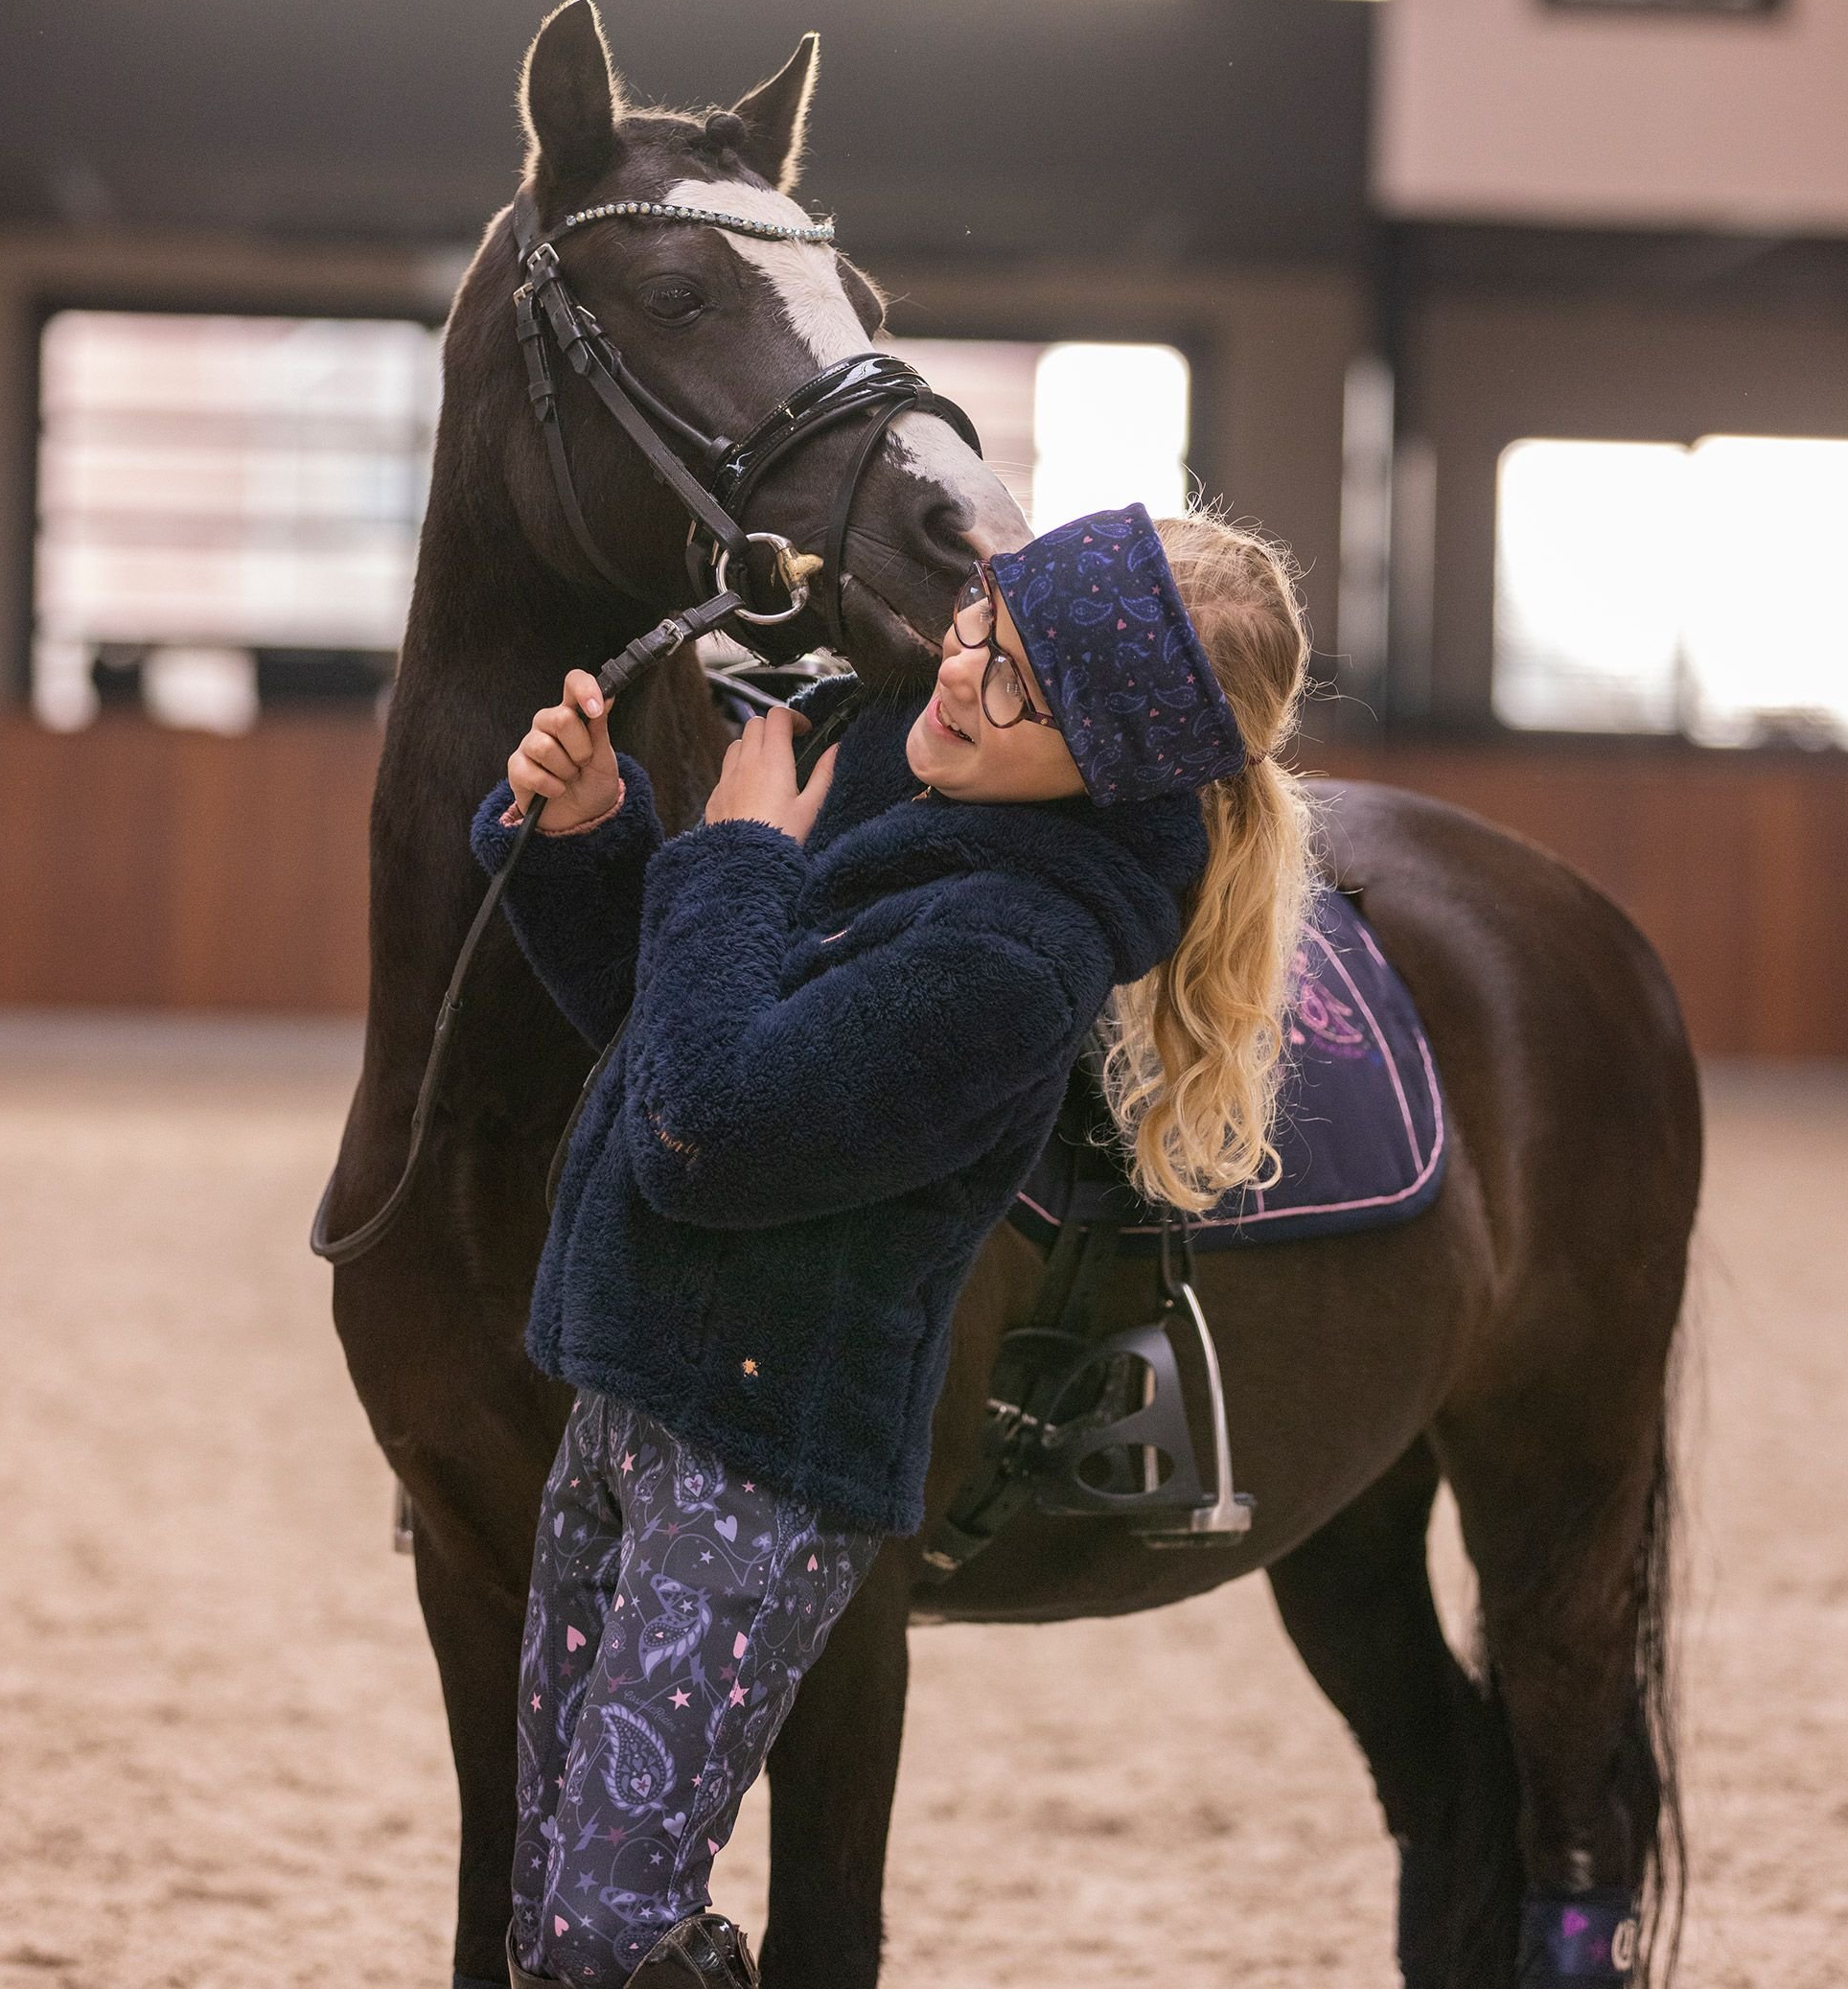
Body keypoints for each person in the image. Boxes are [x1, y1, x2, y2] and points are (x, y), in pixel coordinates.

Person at [472, 503, 1314, 1989]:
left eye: (1023, 685)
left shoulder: (1015, 948)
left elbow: (709, 1137)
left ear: (1110, 762)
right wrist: (597, 834)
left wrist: (733, 858)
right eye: (984, 619)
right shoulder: (900, 795)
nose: (961, 669)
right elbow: (667, 1039)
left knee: (610, 1933)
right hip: (629, 1409)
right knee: (553, 1918)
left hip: (753, 1470)